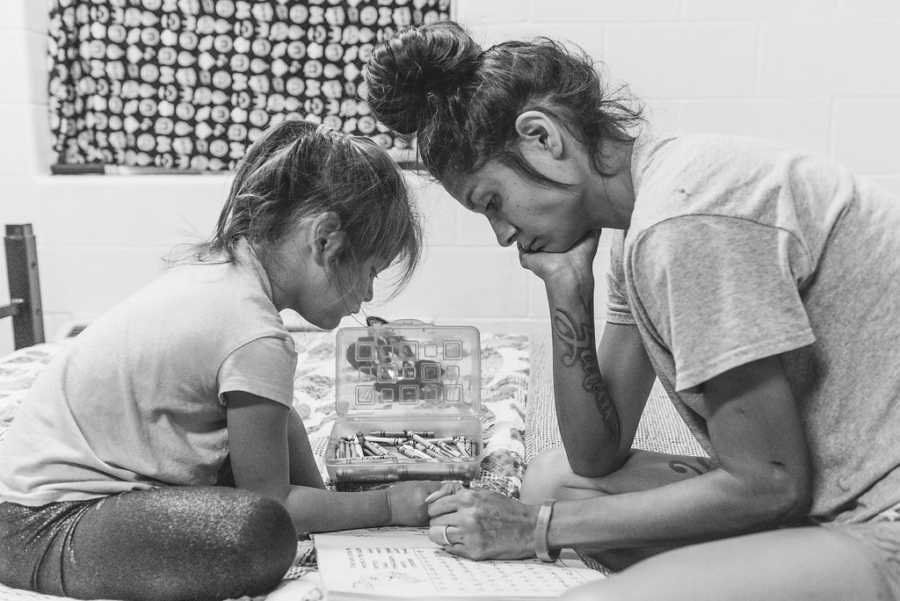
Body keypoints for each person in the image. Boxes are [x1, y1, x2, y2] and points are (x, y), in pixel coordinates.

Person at [365, 21, 900, 601]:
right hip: (819, 485)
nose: (501, 235)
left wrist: (535, 531)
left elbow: (770, 482)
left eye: (493, 202)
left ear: (542, 138)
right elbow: (596, 455)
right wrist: (567, 287)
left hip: (877, 513)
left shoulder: (683, 222)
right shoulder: (647, 220)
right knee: (553, 481)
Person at [0, 119, 440, 601]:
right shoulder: (255, 334)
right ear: (326, 239)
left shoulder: (222, 279)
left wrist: (329, 508)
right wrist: (390, 505)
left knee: (271, 435)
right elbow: (272, 503)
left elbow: (279, 420)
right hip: (45, 529)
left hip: (33, 513)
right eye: (371, 271)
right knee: (262, 532)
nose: (368, 295)